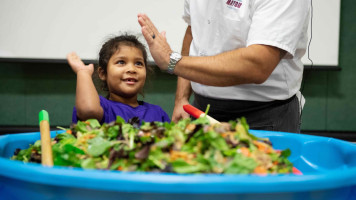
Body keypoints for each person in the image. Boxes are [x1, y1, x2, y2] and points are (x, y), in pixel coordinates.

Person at [137, 0, 310, 133]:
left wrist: (172, 61)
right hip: (202, 109)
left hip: (264, 116)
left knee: (262, 177)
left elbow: (258, 65)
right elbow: (193, 31)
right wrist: (181, 99)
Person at [67, 34, 171, 124]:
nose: (132, 69)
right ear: (103, 73)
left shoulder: (157, 113)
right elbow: (88, 111)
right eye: (121, 62)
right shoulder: (101, 106)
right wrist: (83, 72)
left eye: (138, 63)